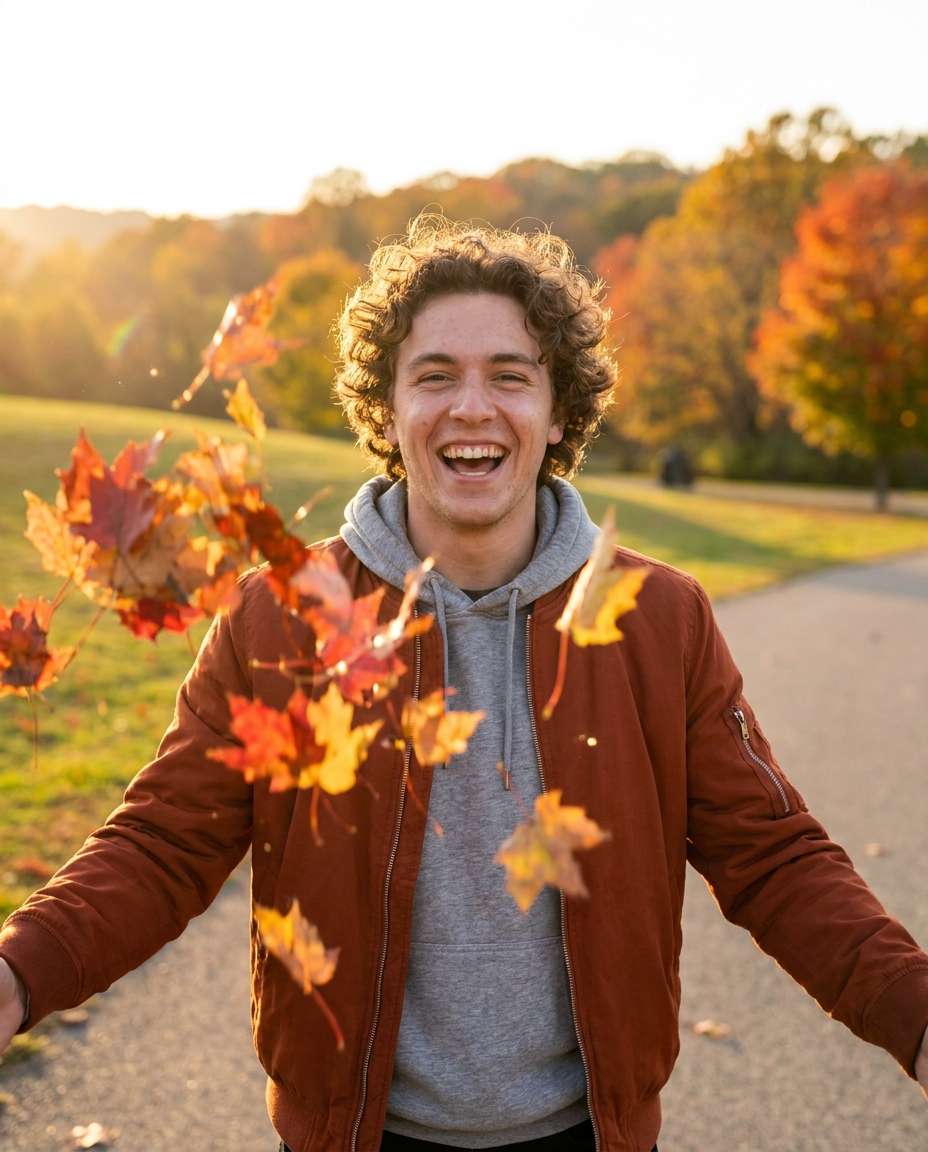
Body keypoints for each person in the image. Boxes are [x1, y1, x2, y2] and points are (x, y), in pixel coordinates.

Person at [1, 214, 926, 1152]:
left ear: (558, 412)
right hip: (353, 1132)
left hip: (590, 1132)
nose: (472, 408)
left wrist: (917, 1018)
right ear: (388, 411)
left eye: (510, 376)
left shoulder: (659, 619)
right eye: (434, 376)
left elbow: (773, 859)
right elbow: (163, 846)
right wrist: (17, 975)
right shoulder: (282, 617)